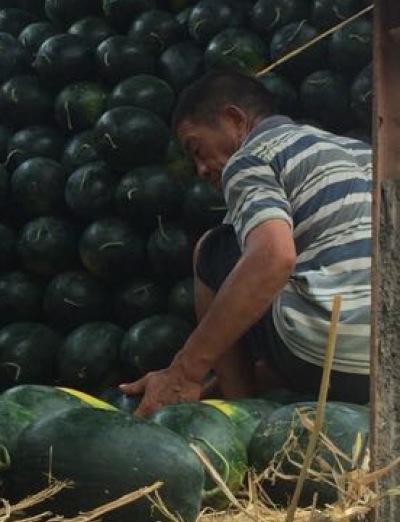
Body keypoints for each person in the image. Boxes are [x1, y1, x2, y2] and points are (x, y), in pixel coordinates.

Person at [121, 70, 372, 416]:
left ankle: (241, 414)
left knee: (213, 250)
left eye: (196, 149)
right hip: (386, 362)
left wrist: (183, 371)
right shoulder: (362, 151)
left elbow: (273, 257)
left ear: (234, 119)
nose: (200, 170)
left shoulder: (252, 156)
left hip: (330, 351)